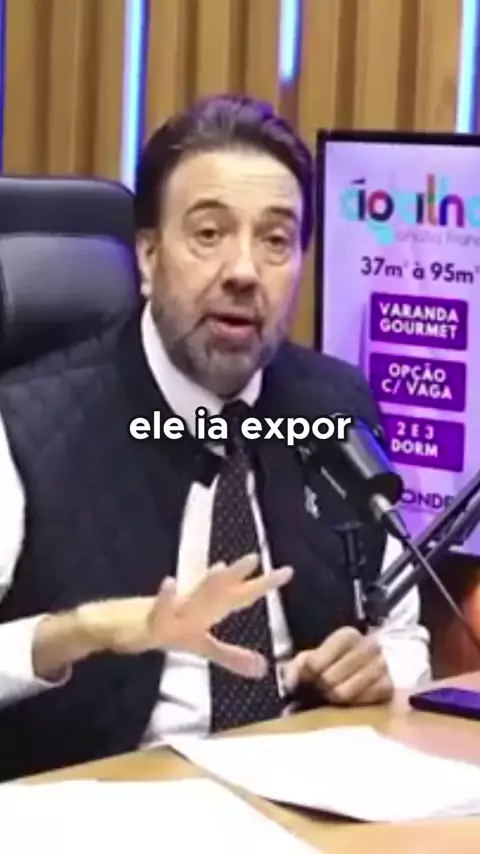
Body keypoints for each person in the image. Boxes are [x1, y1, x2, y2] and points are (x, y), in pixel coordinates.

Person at [0, 94, 430, 780]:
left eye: (276, 240)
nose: (244, 271)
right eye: (208, 233)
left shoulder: (335, 406)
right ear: (147, 256)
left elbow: (405, 636)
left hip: (305, 795)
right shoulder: (26, 425)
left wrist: (378, 667)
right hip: (103, 800)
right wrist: (80, 631)